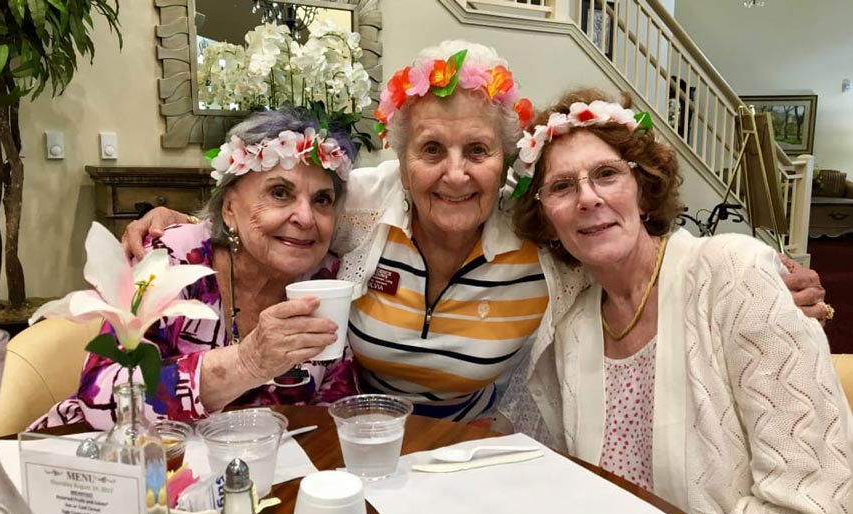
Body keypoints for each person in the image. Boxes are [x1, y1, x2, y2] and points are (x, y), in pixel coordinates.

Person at [122, 41, 828, 425]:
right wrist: (180, 223)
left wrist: (759, 274)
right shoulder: (364, 207)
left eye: (477, 152)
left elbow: (641, 244)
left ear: (507, 163)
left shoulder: (540, 232)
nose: (453, 175)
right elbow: (280, 206)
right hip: (367, 442)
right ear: (401, 160)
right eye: (431, 150)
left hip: (485, 451)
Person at [502, 88, 853, 514]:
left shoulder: (733, 275)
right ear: (548, 219)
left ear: (644, 192)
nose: (587, 198)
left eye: (607, 174)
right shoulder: (571, 330)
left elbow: (812, 508)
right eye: (562, 187)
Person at [31, 108, 359, 430]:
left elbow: (336, 404)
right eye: (279, 192)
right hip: (108, 460)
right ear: (229, 208)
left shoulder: (327, 280)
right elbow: (102, 395)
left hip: (253, 472)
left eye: (322, 200)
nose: (306, 217)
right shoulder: (169, 259)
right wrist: (246, 362)